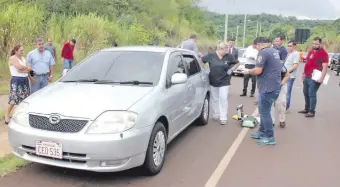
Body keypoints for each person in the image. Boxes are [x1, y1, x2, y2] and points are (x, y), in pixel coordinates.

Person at [244, 37, 282, 145]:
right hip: (274, 86)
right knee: (263, 111)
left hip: (267, 87)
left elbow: (258, 70)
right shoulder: (274, 51)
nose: (256, 49)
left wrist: (248, 71)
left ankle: (269, 136)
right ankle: (262, 131)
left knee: (265, 113)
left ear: (258, 44)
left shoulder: (263, 53)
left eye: (255, 47)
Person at [201, 41, 238, 125]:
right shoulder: (211, 56)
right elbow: (201, 60)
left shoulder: (229, 56)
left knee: (223, 98)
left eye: (227, 50)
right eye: (225, 50)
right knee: (214, 98)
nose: (227, 52)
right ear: (220, 49)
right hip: (213, 80)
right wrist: (205, 69)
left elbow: (237, 63)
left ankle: (223, 117)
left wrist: (231, 69)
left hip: (225, 80)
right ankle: (216, 114)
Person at [298, 37, 328, 117]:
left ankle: (311, 111)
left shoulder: (323, 53)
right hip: (307, 75)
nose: (314, 45)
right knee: (305, 92)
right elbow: (307, 62)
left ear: (320, 44)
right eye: (313, 43)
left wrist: (321, 78)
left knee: (312, 94)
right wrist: (303, 73)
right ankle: (306, 108)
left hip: (315, 77)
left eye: (316, 44)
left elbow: (325, 67)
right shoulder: (311, 51)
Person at [4, 45, 31, 124]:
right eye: (21, 50)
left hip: (25, 80)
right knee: (13, 99)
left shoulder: (23, 58)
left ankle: (19, 115)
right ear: (16, 51)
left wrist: (24, 70)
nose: (22, 52)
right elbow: (19, 67)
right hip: (16, 80)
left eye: (23, 50)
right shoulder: (12, 58)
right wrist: (25, 69)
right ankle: (6, 115)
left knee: (24, 99)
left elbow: (28, 68)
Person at [271, 59, 290, 128]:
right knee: (271, 104)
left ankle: (282, 120)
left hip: (280, 84)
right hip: (269, 86)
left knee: (281, 102)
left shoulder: (279, 64)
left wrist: (280, 84)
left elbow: (287, 76)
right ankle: (271, 121)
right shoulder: (263, 65)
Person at [285, 41, 300, 111]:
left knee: (287, 92)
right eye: (288, 46)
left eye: (290, 46)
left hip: (290, 76)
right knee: (284, 92)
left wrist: (287, 72)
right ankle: (283, 106)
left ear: (294, 46)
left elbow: (295, 66)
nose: (288, 47)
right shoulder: (289, 53)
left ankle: (286, 107)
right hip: (285, 75)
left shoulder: (296, 54)